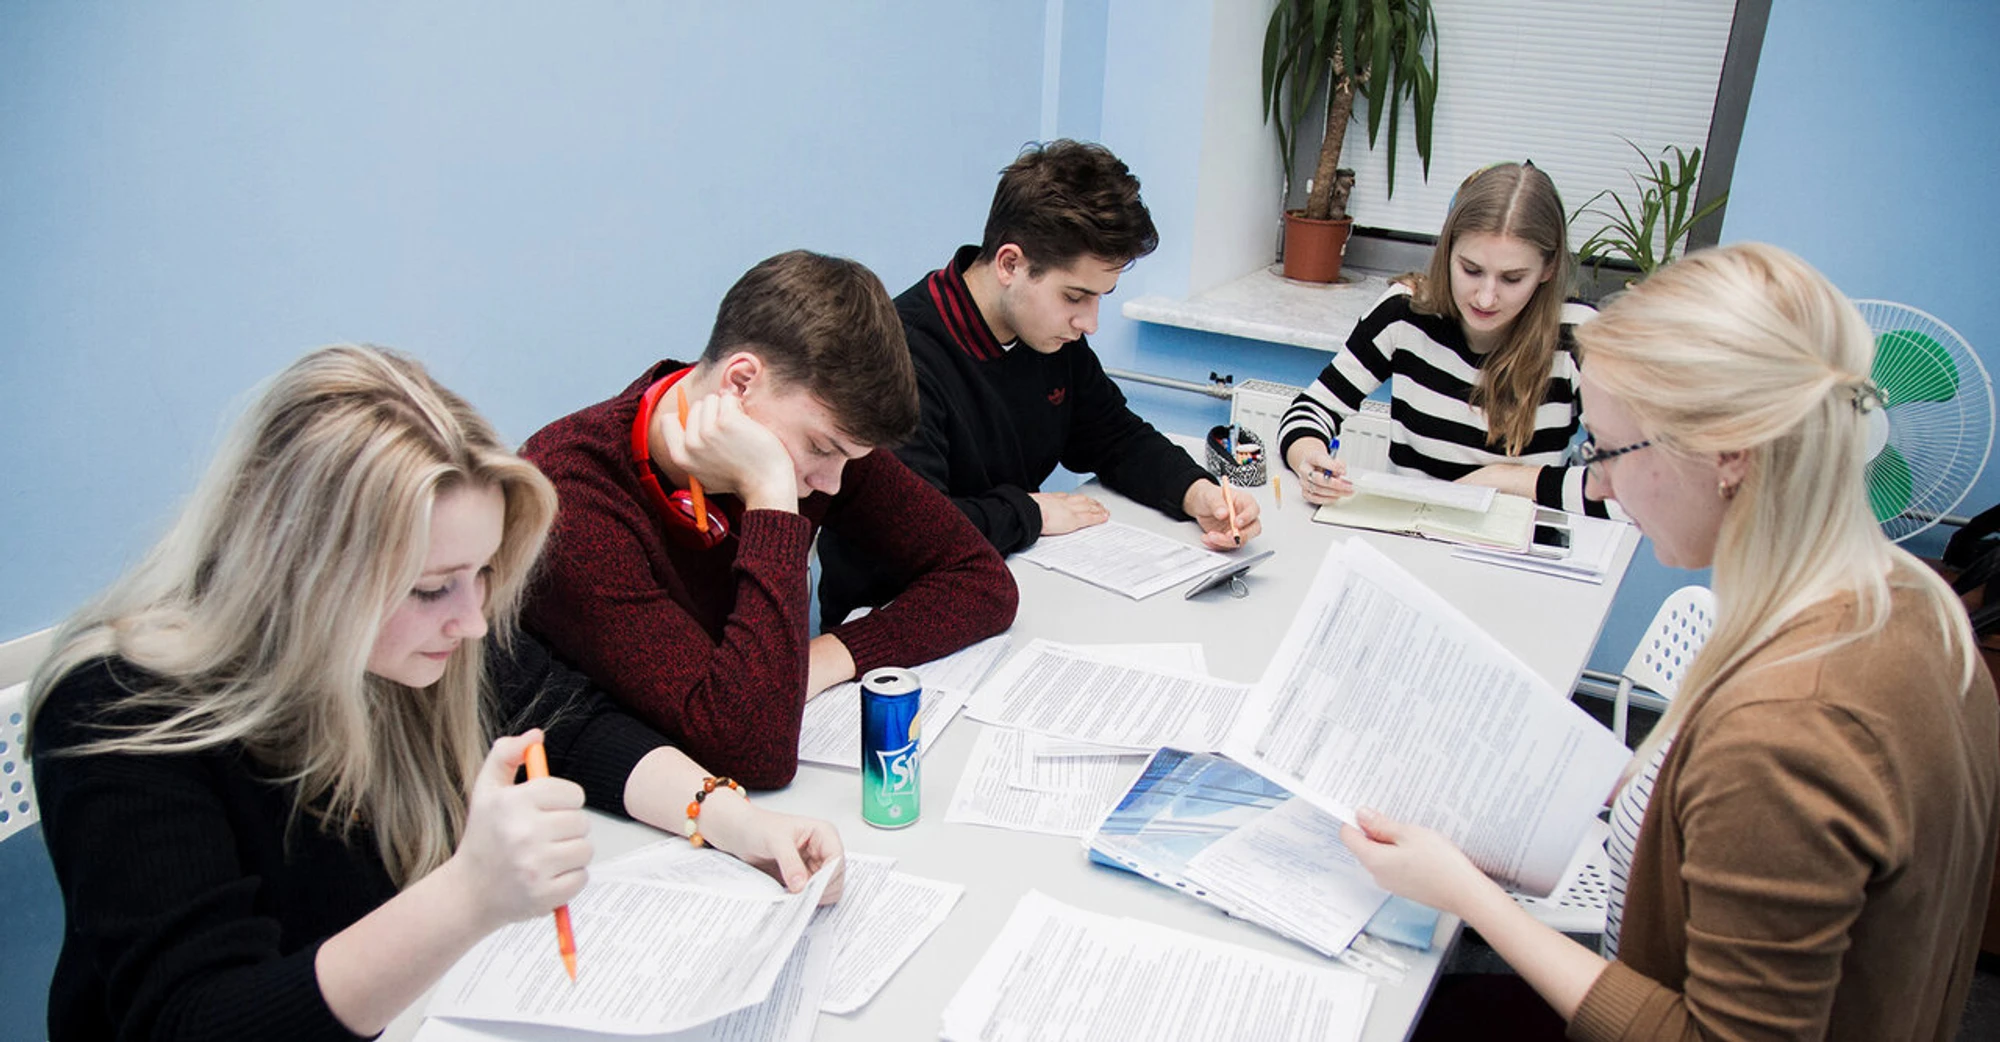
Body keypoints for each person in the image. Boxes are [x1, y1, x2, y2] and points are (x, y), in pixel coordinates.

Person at [27, 345, 844, 1042]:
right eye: (430, 589)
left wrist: (731, 819)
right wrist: (468, 897)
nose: (473, 621)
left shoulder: (417, 644)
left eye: (482, 575)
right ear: (303, 571)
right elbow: (194, 1021)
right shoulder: (117, 708)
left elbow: (575, 726)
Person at [1342, 243, 2000, 1041]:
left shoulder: (1788, 733)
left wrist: (1465, 894)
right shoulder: (1910, 599)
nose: (1600, 484)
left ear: (1729, 454)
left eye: (1609, 450)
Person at [521, 250, 1017, 789]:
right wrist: (771, 496)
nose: (832, 483)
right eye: (821, 449)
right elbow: (752, 751)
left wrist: (829, 656)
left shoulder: (825, 438)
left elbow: (982, 580)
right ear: (740, 382)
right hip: (602, 808)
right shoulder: (569, 497)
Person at [815, 140, 1262, 625]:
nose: (1089, 323)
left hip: (1002, 577)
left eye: (1101, 297)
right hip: (892, 613)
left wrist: (1197, 493)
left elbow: (1115, 437)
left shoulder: (1046, 335)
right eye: (1075, 296)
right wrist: (1030, 514)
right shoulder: (899, 355)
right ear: (1010, 264)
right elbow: (912, 533)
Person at [1280, 161, 1612, 517]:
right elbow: (1309, 411)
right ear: (1447, 251)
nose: (1486, 298)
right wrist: (1309, 460)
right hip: (1410, 534)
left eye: (1512, 278)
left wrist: (1502, 479)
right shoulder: (1404, 311)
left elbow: (1631, 489)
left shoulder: (1581, 338)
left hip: (1519, 543)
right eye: (1471, 270)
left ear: (1549, 268)